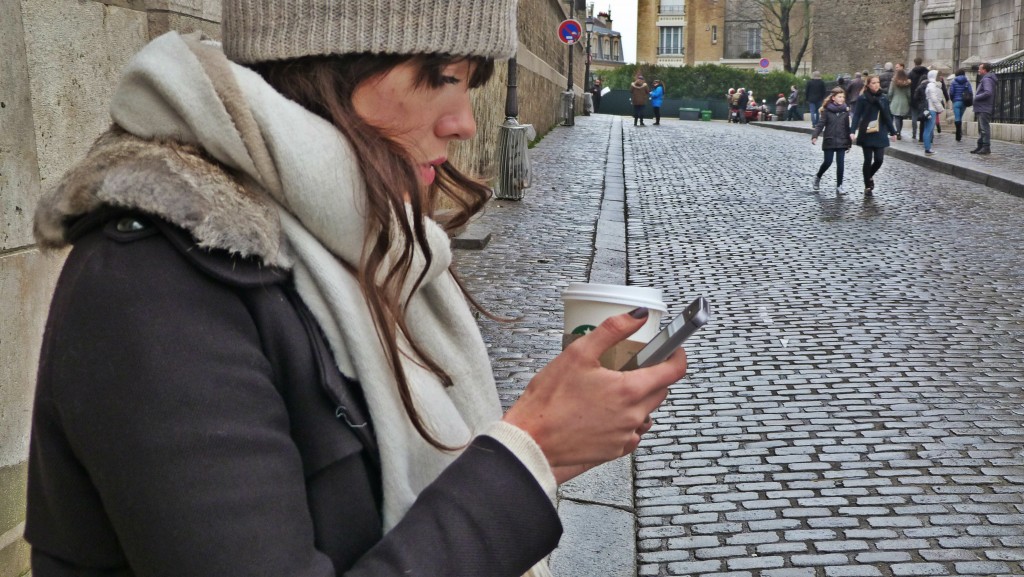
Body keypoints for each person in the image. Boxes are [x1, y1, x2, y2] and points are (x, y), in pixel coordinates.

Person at [24, 2, 689, 576]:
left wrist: (555, 433)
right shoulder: (152, 288)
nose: (465, 123)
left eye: (472, 83)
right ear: (330, 63)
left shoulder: (365, 243)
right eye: (443, 79)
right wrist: (530, 453)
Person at [850, 75, 898, 197]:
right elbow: (856, 115)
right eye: (873, 83)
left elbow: (887, 116)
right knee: (867, 159)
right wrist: (852, 131)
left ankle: (869, 175)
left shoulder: (883, 98)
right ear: (868, 85)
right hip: (866, 131)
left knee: (879, 159)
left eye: (878, 82)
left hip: (880, 131)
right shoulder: (862, 98)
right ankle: (867, 185)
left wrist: (893, 132)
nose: (876, 85)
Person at [811, 86, 852, 194]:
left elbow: (847, 128)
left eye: (843, 97)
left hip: (842, 140)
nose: (842, 99)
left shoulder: (845, 111)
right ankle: (818, 176)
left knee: (841, 164)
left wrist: (849, 143)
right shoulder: (827, 111)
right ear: (833, 98)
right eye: (839, 97)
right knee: (828, 162)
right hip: (829, 139)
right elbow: (820, 125)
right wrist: (815, 136)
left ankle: (839, 186)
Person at [971, 62, 998, 155]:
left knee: (984, 128)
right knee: (981, 128)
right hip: (981, 107)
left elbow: (988, 92)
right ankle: (980, 146)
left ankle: (986, 147)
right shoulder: (986, 79)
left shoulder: (987, 80)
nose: (978, 70)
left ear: (984, 70)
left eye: (980, 68)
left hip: (984, 107)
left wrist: (976, 97)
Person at [922, 69, 944, 155]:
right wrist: (940, 108)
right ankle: (927, 148)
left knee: (929, 129)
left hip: (932, 109)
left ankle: (928, 148)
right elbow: (934, 99)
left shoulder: (932, 85)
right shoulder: (931, 85)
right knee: (928, 129)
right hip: (932, 109)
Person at [948, 68, 973, 142]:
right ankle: (959, 133)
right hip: (964, 102)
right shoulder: (967, 82)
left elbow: (951, 92)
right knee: (960, 117)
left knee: (957, 118)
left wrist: (953, 100)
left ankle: (958, 134)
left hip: (956, 101)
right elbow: (970, 92)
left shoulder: (953, 82)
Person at [887, 65, 911, 140]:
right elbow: (908, 94)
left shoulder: (893, 82)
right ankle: (899, 131)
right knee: (900, 118)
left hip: (895, 101)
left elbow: (890, 92)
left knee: (896, 117)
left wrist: (890, 99)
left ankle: (898, 132)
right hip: (904, 102)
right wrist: (909, 101)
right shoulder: (907, 83)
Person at [908, 57, 929, 140]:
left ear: (914, 63)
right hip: (924, 97)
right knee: (923, 116)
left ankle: (914, 133)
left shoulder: (911, 73)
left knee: (914, 116)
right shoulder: (926, 72)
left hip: (914, 96)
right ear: (921, 62)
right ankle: (922, 134)